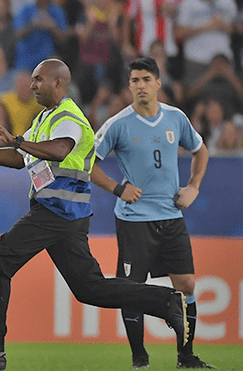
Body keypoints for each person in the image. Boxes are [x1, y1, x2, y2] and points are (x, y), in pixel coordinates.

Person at [0, 59, 189, 371]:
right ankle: (166, 301)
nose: (33, 86)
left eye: (39, 80)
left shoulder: (69, 116)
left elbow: (60, 150)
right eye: (33, 81)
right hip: (65, 215)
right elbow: (19, 159)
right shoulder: (45, 118)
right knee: (89, 288)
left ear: (59, 83)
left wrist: (18, 140)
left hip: (56, 211)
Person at [91, 56, 212, 369]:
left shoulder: (176, 118)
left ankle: (186, 356)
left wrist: (193, 187)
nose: (140, 86)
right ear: (129, 85)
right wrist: (119, 189)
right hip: (134, 220)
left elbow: (200, 150)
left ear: (158, 83)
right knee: (132, 290)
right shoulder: (118, 123)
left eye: (146, 79)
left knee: (186, 284)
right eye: (135, 80)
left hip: (172, 217)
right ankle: (139, 358)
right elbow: (88, 162)